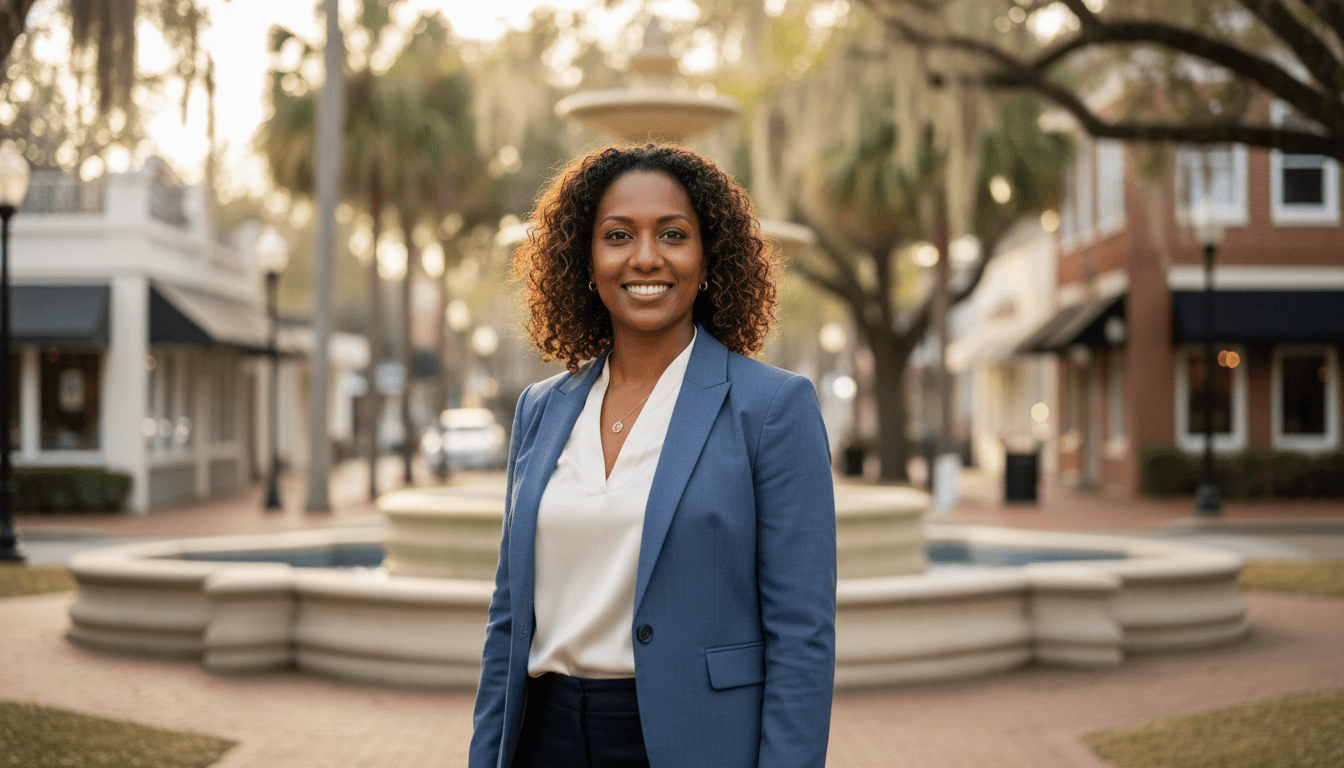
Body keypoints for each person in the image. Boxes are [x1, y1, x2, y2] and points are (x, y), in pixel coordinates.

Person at [469, 143, 836, 768]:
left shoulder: (772, 408)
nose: (645, 257)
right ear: (586, 259)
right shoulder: (541, 408)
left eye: (673, 234)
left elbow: (802, 638)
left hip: (691, 741)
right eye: (618, 236)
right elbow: (508, 619)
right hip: (543, 738)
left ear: (707, 255)